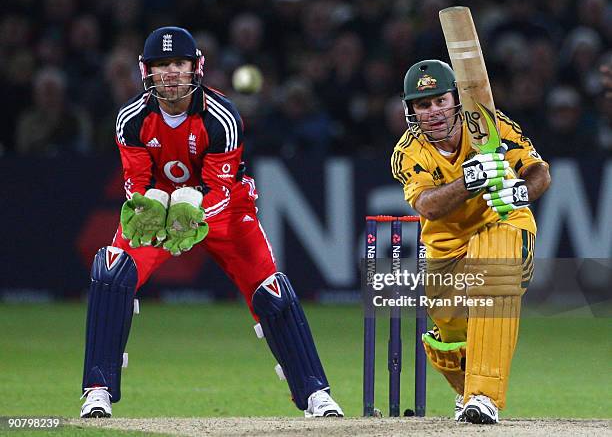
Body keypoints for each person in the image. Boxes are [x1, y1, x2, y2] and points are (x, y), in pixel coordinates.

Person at [80, 26, 343, 419]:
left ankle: (315, 395)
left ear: (195, 67)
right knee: (112, 269)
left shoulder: (221, 117)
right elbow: (138, 182)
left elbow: (221, 188)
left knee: (271, 290)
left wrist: (193, 211)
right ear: (146, 71)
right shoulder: (130, 119)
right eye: (161, 65)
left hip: (224, 211)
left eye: (178, 64)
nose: (170, 73)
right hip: (160, 210)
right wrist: (151, 208)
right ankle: (97, 390)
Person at [391, 60, 551, 424]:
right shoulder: (409, 151)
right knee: (447, 336)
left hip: (504, 224)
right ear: (411, 110)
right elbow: (428, 206)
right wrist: (472, 179)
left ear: (457, 99)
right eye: (423, 104)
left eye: (440, 101)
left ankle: (484, 395)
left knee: (490, 276)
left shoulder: (490, 125)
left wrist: (518, 193)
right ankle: (468, 394)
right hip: (447, 247)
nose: (433, 112)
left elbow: (539, 171)